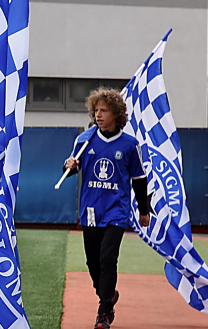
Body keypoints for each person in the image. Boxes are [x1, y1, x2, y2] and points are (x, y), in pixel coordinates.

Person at [63, 88, 151, 329]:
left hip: (116, 211)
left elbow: (139, 179)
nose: (98, 114)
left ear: (117, 114)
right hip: (91, 211)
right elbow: (70, 170)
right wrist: (68, 165)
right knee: (93, 262)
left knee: (108, 258)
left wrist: (143, 210)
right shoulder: (84, 139)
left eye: (104, 110)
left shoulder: (130, 145)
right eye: (96, 110)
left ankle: (104, 312)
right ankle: (107, 294)